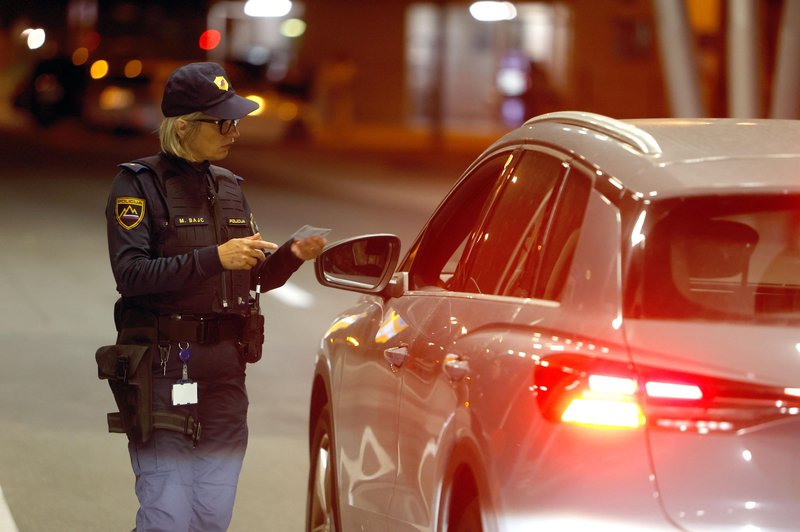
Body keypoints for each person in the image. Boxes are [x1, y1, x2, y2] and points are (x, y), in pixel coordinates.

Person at [103, 62, 326, 531]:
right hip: (163, 369)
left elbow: (252, 279)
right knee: (167, 511)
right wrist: (214, 258)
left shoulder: (227, 186)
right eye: (222, 123)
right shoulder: (138, 186)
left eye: (235, 122)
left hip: (225, 372)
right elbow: (131, 274)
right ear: (184, 126)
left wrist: (290, 255)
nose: (234, 132)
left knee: (212, 513)